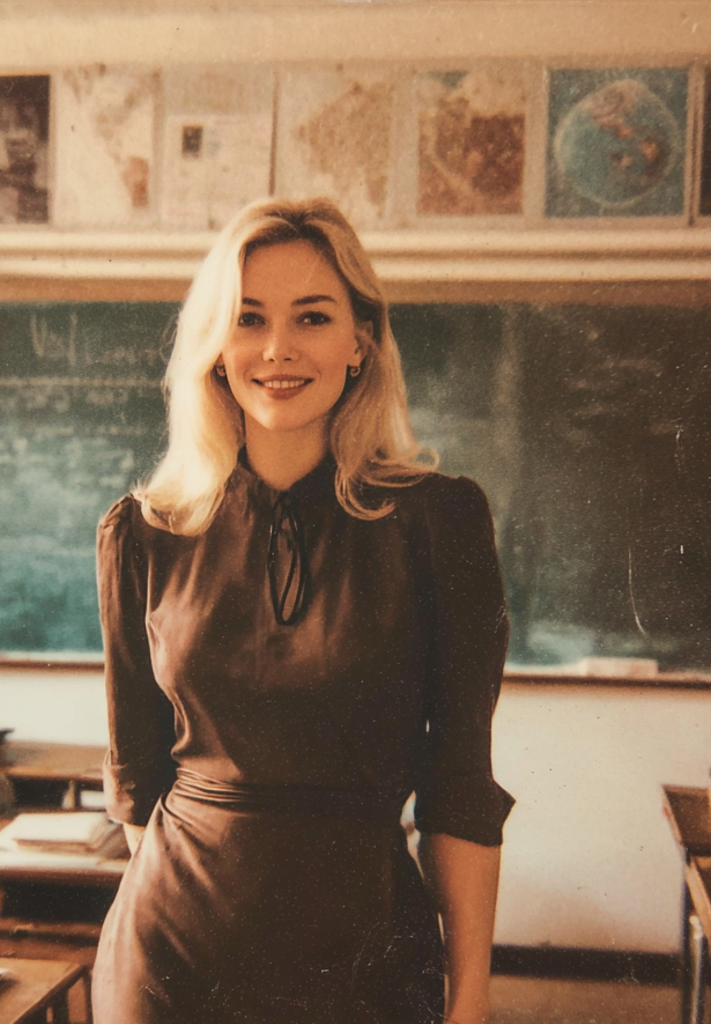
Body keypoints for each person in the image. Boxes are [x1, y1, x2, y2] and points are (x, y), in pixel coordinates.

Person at [93, 196, 513, 1024]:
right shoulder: (145, 533)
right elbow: (138, 782)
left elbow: (459, 790)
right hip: (173, 962)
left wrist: (469, 1005)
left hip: (364, 961)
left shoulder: (439, 522)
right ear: (215, 345)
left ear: (361, 340)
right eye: (247, 319)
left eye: (311, 317)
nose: (277, 350)